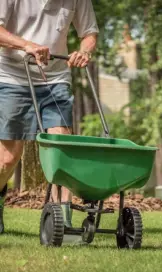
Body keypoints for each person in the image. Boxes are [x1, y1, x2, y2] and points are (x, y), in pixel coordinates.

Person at [0, 0, 99, 234]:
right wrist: (27, 45)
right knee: (7, 159)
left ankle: (61, 224)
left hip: (55, 80)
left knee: (61, 152)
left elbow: (90, 32)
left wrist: (84, 51)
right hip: (12, 77)